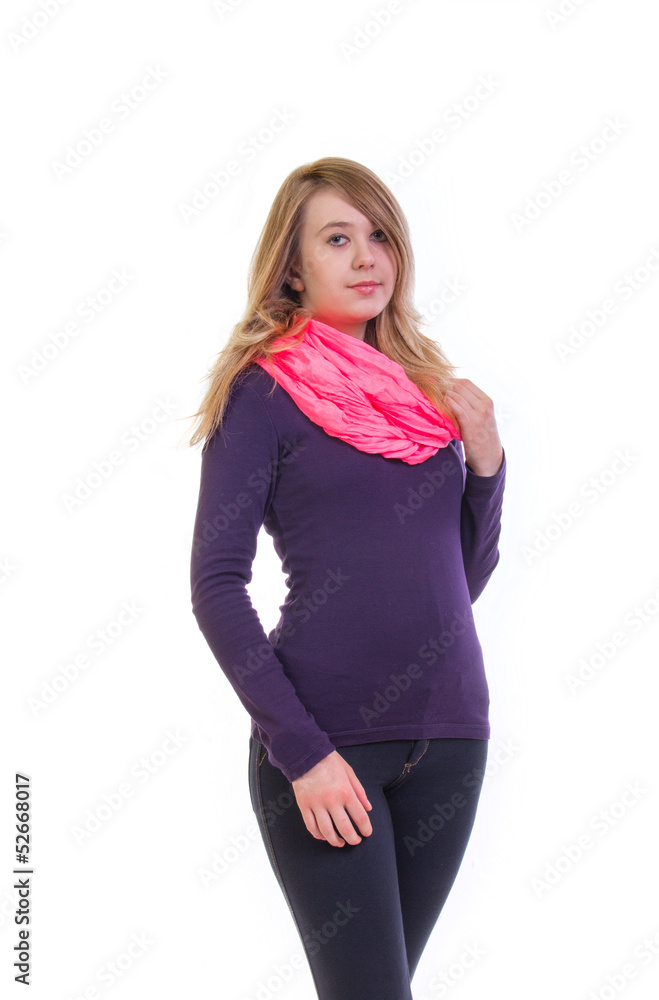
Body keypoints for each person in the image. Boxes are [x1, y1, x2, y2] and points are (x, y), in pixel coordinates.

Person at [185, 157, 507, 1000]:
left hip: (451, 739)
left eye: (380, 237)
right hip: (328, 741)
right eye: (337, 239)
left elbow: (458, 581)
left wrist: (486, 467)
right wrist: (303, 753)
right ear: (293, 267)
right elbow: (216, 585)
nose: (367, 257)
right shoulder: (262, 395)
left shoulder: (423, 399)